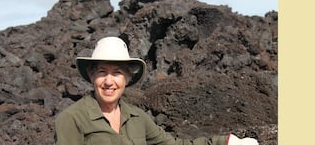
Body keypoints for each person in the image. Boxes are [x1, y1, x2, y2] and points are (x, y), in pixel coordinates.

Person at [55, 36, 259, 145]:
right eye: (102, 72)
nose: (109, 81)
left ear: (126, 78)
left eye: (117, 73)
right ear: (91, 75)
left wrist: (226, 142)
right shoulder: (71, 118)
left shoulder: (138, 118)